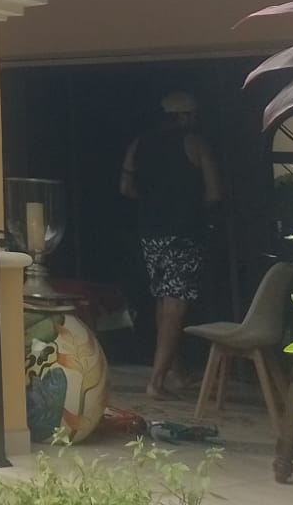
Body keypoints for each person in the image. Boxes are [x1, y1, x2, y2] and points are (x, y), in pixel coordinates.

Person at [120, 91, 222, 400]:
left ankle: (176, 373)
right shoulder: (195, 143)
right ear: (185, 117)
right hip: (184, 234)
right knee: (175, 305)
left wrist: (154, 204)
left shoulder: (139, 144)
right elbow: (215, 192)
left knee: (163, 302)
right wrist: (188, 206)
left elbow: (125, 187)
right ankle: (156, 381)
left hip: (151, 234)